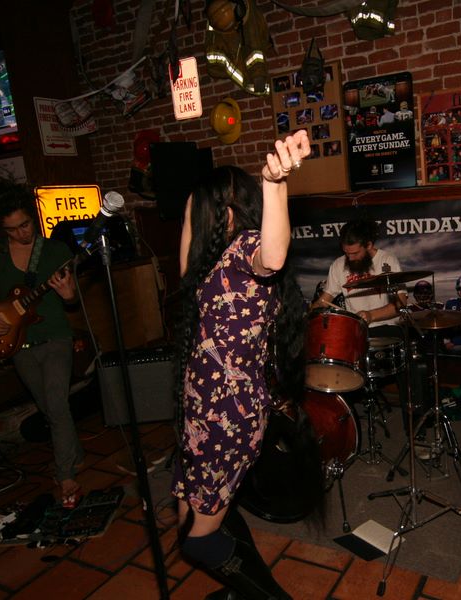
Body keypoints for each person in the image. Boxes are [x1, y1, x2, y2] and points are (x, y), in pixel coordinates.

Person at [173, 131, 311, 600]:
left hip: (227, 415)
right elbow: (185, 270)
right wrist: (191, 207)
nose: (193, 216)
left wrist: (274, 183)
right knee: (195, 519)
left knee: (197, 540)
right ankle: (243, 587)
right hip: (203, 411)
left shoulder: (243, 250)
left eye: (199, 208)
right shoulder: (213, 262)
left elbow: (273, 255)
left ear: (224, 210)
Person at [0, 176, 84, 508]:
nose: (21, 233)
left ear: (32, 216)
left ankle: (66, 474)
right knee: (49, 408)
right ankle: (74, 453)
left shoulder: (55, 250)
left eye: (25, 225)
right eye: (12, 229)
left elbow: (72, 300)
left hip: (56, 336)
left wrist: (68, 294)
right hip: (18, 342)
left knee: (57, 404)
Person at [310, 218, 406, 329]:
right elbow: (324, 301)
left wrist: (371, 315)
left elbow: (401, 303)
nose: (350, 258)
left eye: (355, 253)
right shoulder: (338, 264)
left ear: (368, 245)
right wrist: (312, 311)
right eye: (346, 253)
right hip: (355, 329)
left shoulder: (387, 260)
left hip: (385, 327)